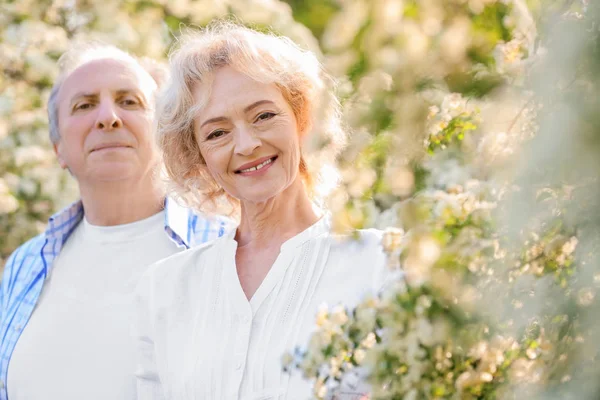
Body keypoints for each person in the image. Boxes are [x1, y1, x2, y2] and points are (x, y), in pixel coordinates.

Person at [133, 22, 389, 399]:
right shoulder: (164, 290)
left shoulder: (379, 265)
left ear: (304, 120)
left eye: (264, 116)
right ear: (198, 156)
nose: (247, 144)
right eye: (217, 133)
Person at [0, 43, 231, 400]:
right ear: (58, 147)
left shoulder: (227, 249)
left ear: (164, 132)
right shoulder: (24, 267)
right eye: (84, 105)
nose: (108, 117)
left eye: (129, 101)